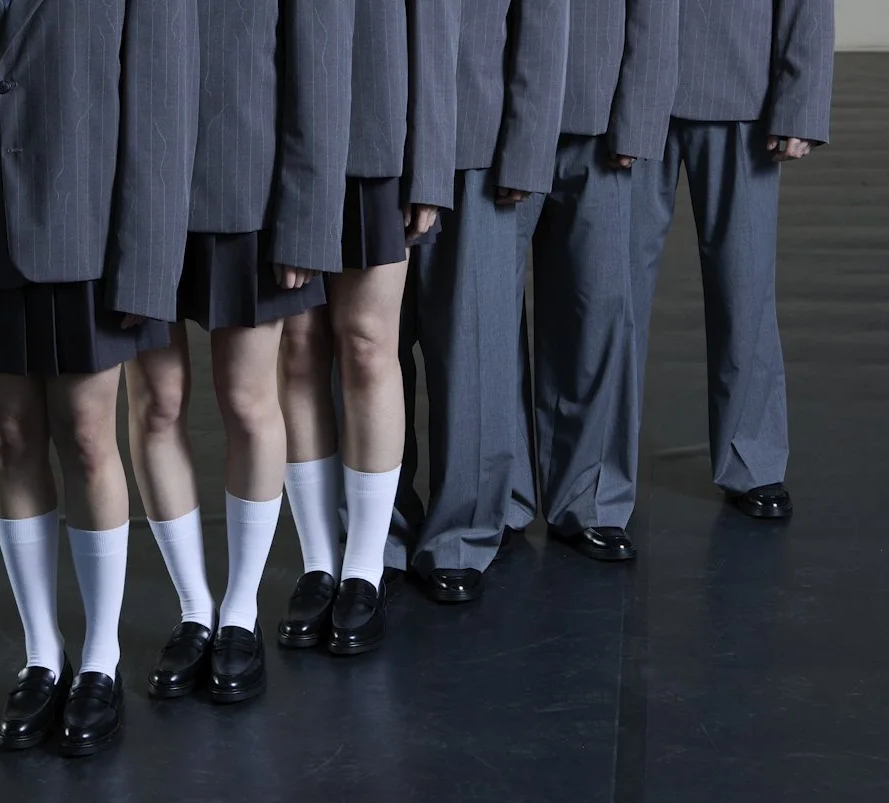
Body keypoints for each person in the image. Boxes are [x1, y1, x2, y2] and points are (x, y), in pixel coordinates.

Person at [0, 1, 198, 756]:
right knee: (12, 436)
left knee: (88, 438)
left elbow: (161, 97)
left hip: (90, 227)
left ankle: (101, 657)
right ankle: (41, 652)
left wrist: (147, 266)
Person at [125, 1, 352, 703]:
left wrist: (307, 217)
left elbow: (317, 63)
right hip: (135, 195)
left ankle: (239, 609)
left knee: (250, 403)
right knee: (156, 403)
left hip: (247, 189)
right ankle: (195, 604)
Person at [274, 0, 457, 655]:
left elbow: (436, 22)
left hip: (373, 125)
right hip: (272, 127)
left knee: (369, 344)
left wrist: (430, 161)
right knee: (295, 350)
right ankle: (320, 561)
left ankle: (365, 567)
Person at [388, 0, 570, 603]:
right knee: (365, 353)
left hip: (478, 138)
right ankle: (377, 532)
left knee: (474, 352)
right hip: (365, 134)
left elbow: (542, 19)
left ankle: (463, 533)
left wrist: (528, 145)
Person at [630, 0, 835, 519]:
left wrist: (801, 101)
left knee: (744, 289)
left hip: (741, 86)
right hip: (625, 88)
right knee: (607, 298)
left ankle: (754, 457)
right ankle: (592, 475)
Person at [519, 0, 681, 562]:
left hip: (598, 113)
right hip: (491, 106)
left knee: (597, 315)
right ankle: (499, 500)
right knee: (482, 326)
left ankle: (590, 501)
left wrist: (640, 114)